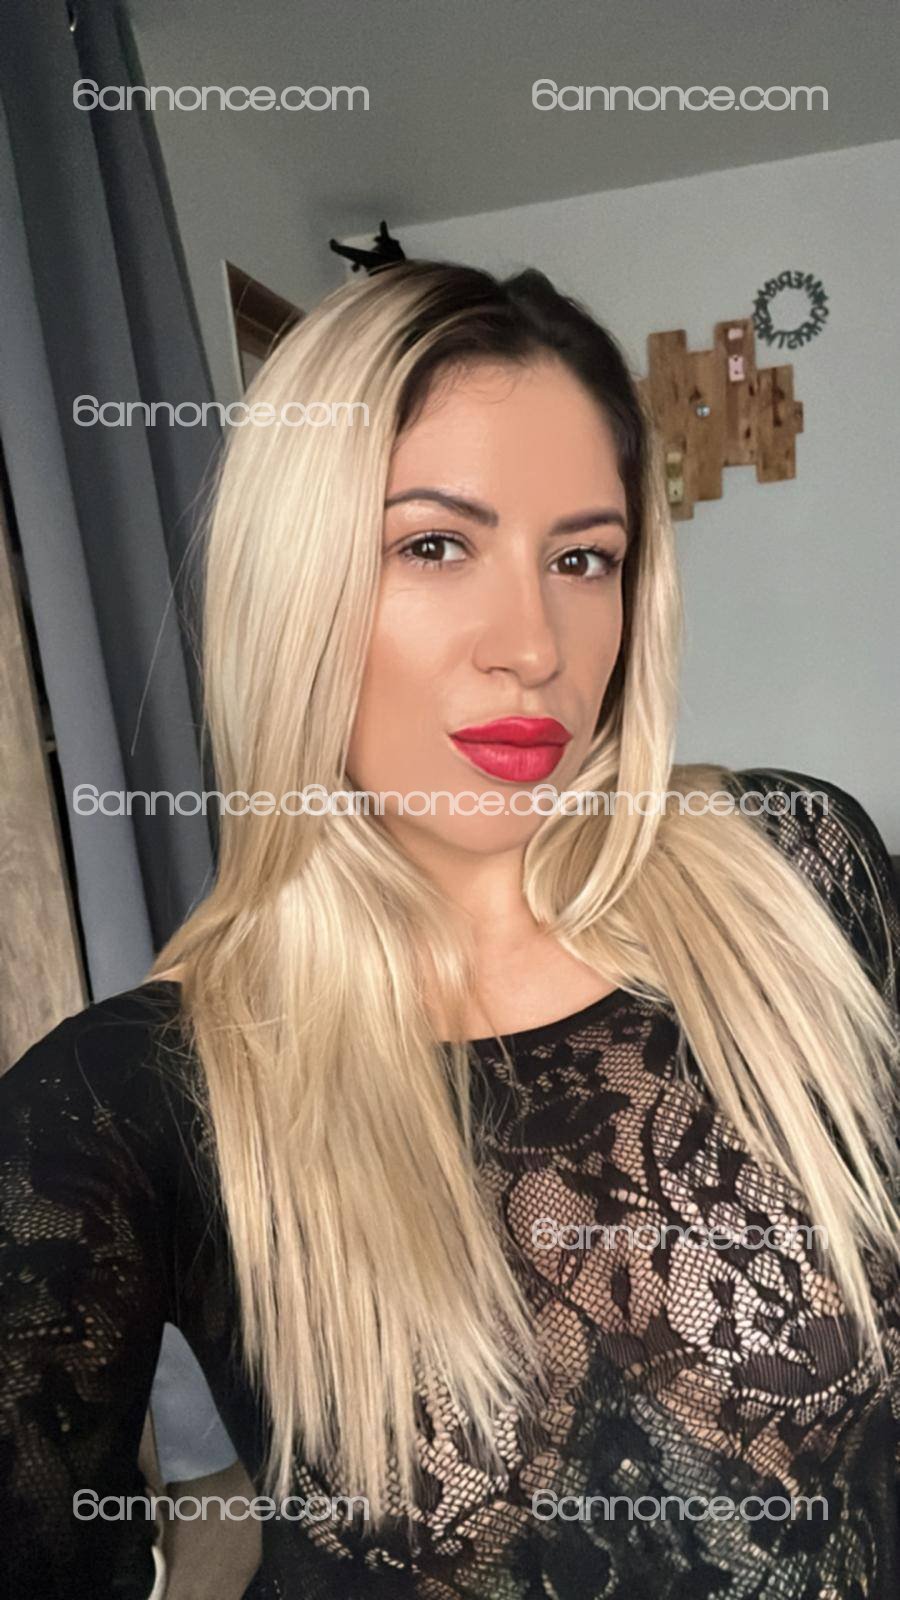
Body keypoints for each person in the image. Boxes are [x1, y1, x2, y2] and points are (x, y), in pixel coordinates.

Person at [2, 260, 899, 1600]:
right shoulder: (127, 1100)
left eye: (582, 558)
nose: (532, 645)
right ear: (293, 587)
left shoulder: (793, 872)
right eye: (433, 545)